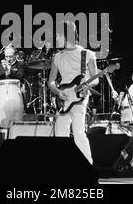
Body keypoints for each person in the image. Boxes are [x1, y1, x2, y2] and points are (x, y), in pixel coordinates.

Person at [48, 21, 99, 164]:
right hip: (63, 98)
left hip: (79, 98)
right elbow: (51, 81)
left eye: (58, 35)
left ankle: (88, 168)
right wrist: (58, 92)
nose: (56, 38)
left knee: (79, 133)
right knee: (60, 134)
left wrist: (86, 86)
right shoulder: (57, 57)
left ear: (66, 35)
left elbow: (95, 80)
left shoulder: (87, 54)